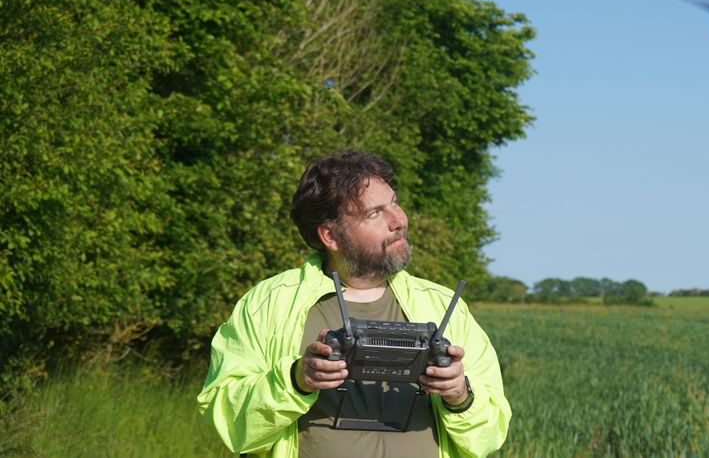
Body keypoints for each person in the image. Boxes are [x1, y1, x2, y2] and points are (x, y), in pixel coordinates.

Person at [197, 150, 510, 458]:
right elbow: (226, 421)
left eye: (395, 203)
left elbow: (491, 436)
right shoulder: (269, 303)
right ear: (330, 236)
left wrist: (461, 396)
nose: (399, 220)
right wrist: (295, 380)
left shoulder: (444, 307)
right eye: (375, 213)